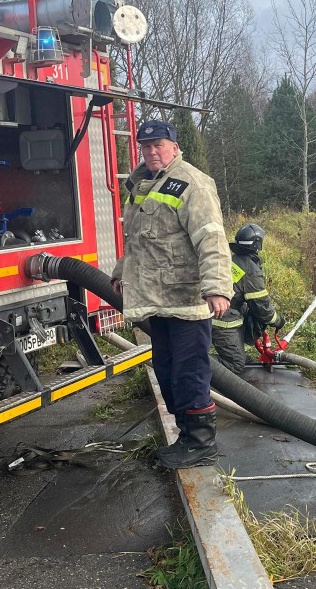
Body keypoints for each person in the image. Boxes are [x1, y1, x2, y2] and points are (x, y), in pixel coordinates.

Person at [110, 119, 232, 469]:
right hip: (156, 299)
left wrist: (218, 288)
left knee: (189, 371)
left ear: (175, 147)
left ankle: (200, 442)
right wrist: (121, 273)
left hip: (187, 300)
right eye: (145, 146)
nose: (151, 152)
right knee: (165, 369)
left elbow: (211, 237)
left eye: (158, 145)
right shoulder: (143, 183)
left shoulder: (191, 182)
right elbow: (138, 240)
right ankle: (185, 435)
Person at [212, 223, 287, 375]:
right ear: (258, 244)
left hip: (221, 311)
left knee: (247, 312)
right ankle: (193, 363)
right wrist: (277, 321)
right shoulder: (250, 270)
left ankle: (233, 351)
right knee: (236, 365)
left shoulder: (236, 260)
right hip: (222, 319)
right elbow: (262, 307)